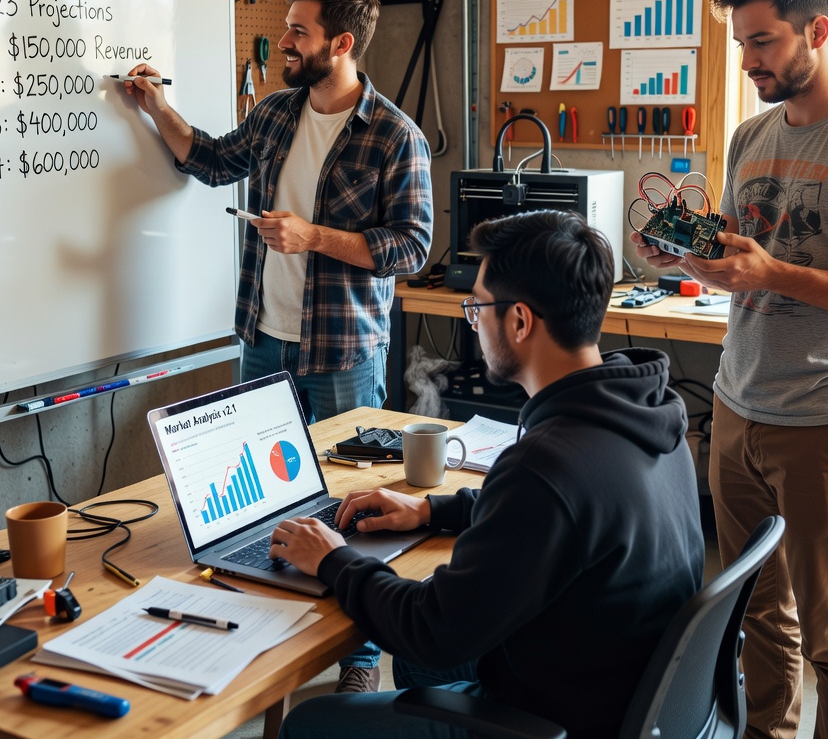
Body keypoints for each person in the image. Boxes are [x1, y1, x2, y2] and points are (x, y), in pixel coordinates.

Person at [634, 0, 828, 739]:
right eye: (741, 43)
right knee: (758, 617)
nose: (747, 61)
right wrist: (691, 257)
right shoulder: (751, 135)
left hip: (827, 422)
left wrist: (776, 272)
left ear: (819, 31)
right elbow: (744, 259)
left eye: (762, 42)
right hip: (738, 409)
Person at [269, 208, 704, 739]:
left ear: (519, 321)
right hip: (615, 687)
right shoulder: (650, 414)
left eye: (477, 308)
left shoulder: (546, 466)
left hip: (557, 718)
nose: (472, 323)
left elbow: (430, 628)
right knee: (419, 669)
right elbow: (564, 520)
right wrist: (432, 508)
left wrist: (333, 559)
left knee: (312, 724)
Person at [122, 0, 433, 692]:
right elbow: (208, 159)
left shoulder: (394, 135)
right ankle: (267, 631)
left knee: (350, 505)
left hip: (345, 352)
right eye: (287, 28)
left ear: (342, 44)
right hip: (262, 338)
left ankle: (356, 659)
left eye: (298, 31)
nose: (285, 42)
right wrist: (157, 107)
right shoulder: (274, 115)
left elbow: (412, 248)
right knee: (260, 500)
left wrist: (315, 236)